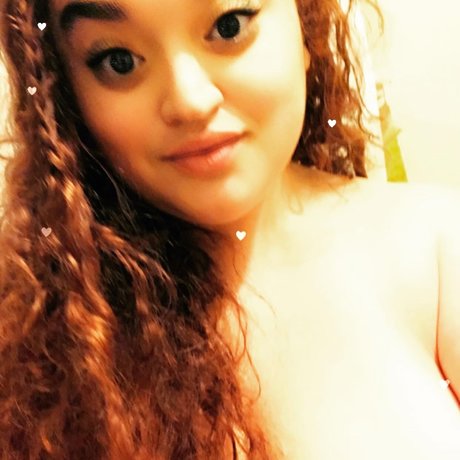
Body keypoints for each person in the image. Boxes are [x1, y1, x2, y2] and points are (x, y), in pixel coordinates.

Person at [0, 0, 459, 459]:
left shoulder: (435, 250)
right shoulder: (42, 349)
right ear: (66, 94)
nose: (190, 101)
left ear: (305, 24)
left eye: (229, 26)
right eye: (118, 61)